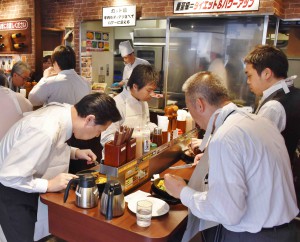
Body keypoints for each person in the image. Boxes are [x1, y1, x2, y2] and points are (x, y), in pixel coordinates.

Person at [164, 71, 298, 242]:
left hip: (254, 236)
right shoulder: (259, 122)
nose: (195, 120)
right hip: (288, 231)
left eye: (190, 111)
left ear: (199, 104)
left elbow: (227, 211)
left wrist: (182, 192)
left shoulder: (226, 136)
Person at [0, 93, 121, 242]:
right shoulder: (45, 130)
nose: (98, 135)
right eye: (100, 130)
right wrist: (49, 184)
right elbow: (9, 176)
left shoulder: (64, 113)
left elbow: (46, 146)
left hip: (21, 180)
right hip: (10, 188)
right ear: (89, 119)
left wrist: (75, 152)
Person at [244, 44, 300, 162]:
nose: (248, 82)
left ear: (267, 73)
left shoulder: (273, 107)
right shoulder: (293, 93)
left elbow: (257, 152)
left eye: (249, 76)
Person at [101, 64, 158, 149]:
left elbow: (145, 124)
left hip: (138, 153)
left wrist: (157, 129)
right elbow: (106, 138)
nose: (152, 94)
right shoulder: (117, 104)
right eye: (149, 90)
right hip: (117, 157)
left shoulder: (143, 101)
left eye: (153, 90)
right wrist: (125, 145)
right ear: (135, 86)